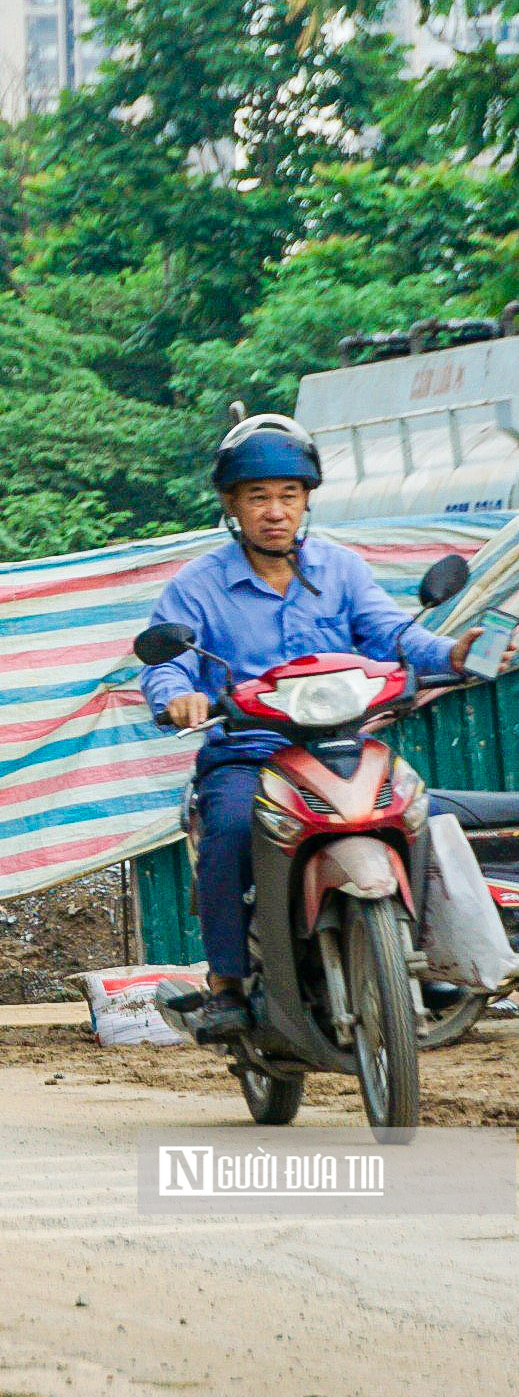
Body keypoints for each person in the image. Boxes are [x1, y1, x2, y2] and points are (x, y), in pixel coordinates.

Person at [139, 414, 508, 1037]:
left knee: (421, 813)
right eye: (258, 497)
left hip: (344, 744)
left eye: (288, 495)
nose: (275, 511)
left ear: (307, 500)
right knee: (229, 829)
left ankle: (421, 954)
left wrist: (448, 654)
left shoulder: (340, 568)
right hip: (249, 754)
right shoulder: (197, 586)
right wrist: (178, 696)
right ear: (232, 506)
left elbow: (391, 634)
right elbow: (168, 664)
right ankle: (227, 983)